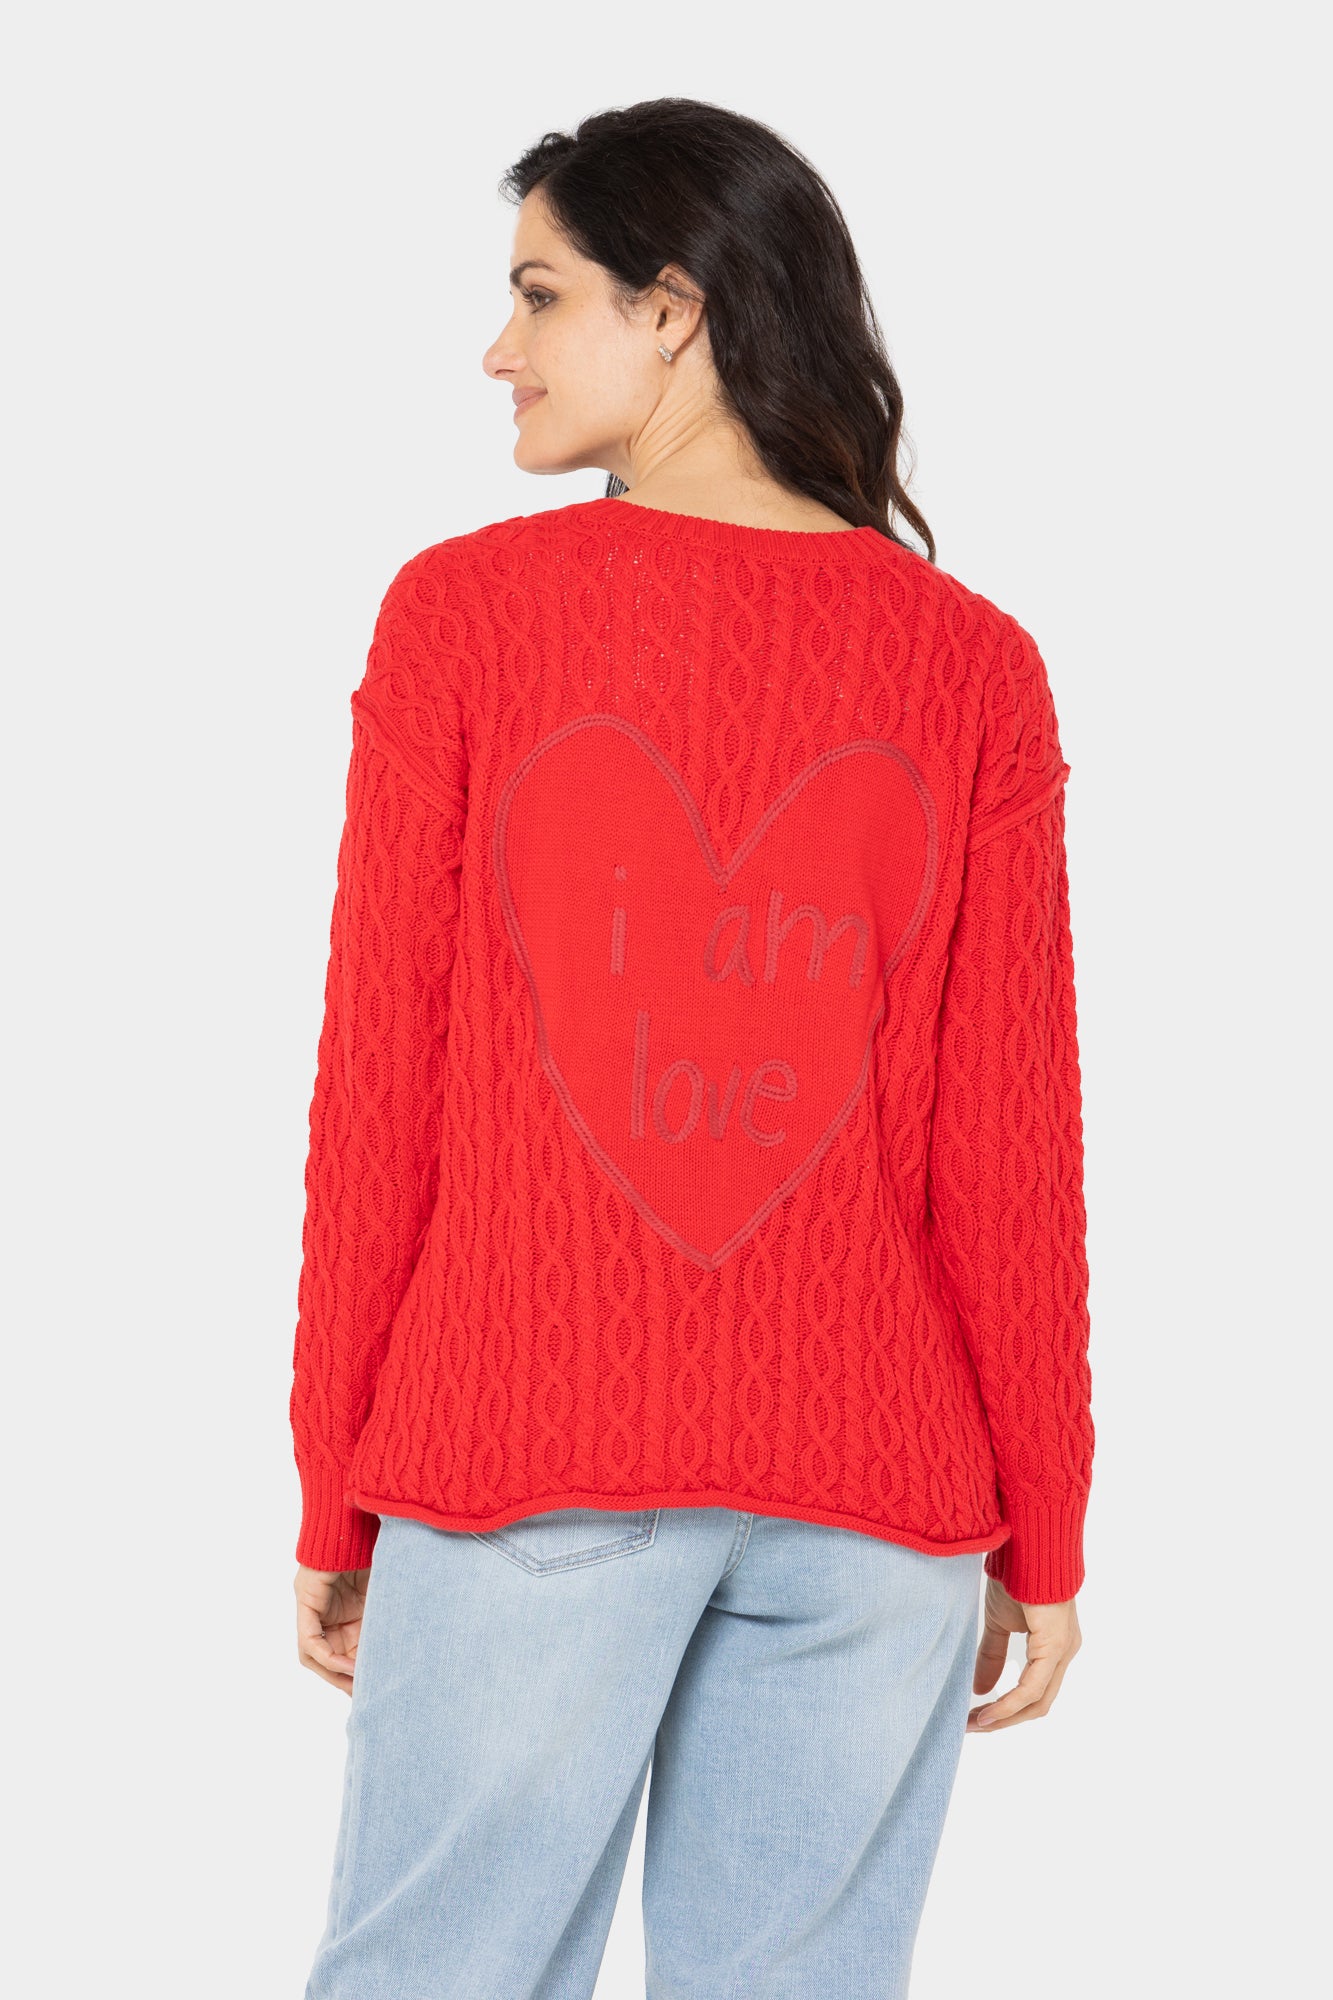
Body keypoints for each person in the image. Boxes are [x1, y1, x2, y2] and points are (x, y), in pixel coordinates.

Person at [290, 96, 1094, 2000]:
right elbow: (1012, 1145)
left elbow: (381, 1092)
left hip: (529, 1450)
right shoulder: (968, 660)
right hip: (880, 1510)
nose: (496, 349)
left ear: (673, 309)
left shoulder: (467, 616)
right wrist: (1042, 1530)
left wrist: (336, 1480)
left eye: (537, 294)